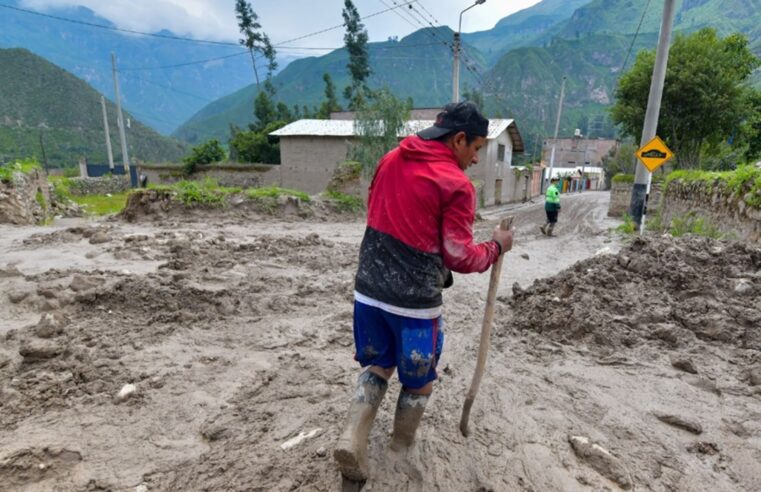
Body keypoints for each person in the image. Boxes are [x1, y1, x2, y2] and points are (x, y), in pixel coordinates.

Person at [333, 101, 514, 481]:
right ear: (459, 139)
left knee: (378, 364)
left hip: (367, 291)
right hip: (414, 305)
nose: (476, 159)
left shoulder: (391, 157)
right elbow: (460, 256)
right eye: (477, 148)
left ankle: (353, 436)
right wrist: (496, 246)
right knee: (420, 378)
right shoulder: (455, 184)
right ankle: (400, 445)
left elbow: (376, 208)